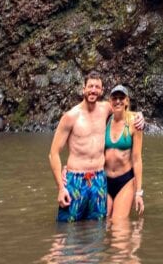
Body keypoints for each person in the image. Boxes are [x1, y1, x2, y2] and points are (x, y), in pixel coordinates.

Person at [48, 70, 144, 223]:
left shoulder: (106, 108)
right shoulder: (70, 117)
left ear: (101, 90)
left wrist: (140, 115)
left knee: (97, 229)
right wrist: (61, 187)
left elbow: (123, 108)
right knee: (67, 229)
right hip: (76, 180)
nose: (93, 90)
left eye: (97, 87)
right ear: (83, 89)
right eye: (90, 86)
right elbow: (53, 154)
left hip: (99, 179)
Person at [105, 84, 144, 219]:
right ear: (110, 101)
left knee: (118, 225)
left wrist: (139, 193)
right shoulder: (104, 121)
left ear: (127, 101)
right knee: (103, 224)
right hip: (105, 180)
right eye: (114, 98)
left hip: (125, 181)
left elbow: (137, 159)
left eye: (121, 98)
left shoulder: (135, 123)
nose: (118, 101)